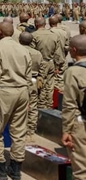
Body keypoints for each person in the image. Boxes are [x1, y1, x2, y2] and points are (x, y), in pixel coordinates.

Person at [0, 22, 31, 179]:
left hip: (5, 91)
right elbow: (29, 75)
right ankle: (15, 170)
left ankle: (0, 167)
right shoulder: (23, 49)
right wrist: (28, 96)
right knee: (19, 132)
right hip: (23, 91)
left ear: (0, 33)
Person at [62, 35, 86, 178]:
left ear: (74, 50)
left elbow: (69, 104)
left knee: (81, 169)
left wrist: (66, 130)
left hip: (81, 124)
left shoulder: (73, 72)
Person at [31, 17, 65, 108]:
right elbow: (58, 53)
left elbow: (33, 52)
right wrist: (57, 66)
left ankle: (42, 105)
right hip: (51, 63)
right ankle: (49, 104)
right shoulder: (54, 35)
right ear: (45, 24)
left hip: (40, 63)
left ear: (36, 24)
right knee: (50, 85)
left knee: (40, 84)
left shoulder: (34, 35)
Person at [19, 32, 45, 143]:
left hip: (20, 81)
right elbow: (42, 69)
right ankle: (31, 132)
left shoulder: (18, 51)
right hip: (33, 81)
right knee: (33, 107)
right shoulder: (38, 53)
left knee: (20, 108)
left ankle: (21, 131)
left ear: (19, 40)